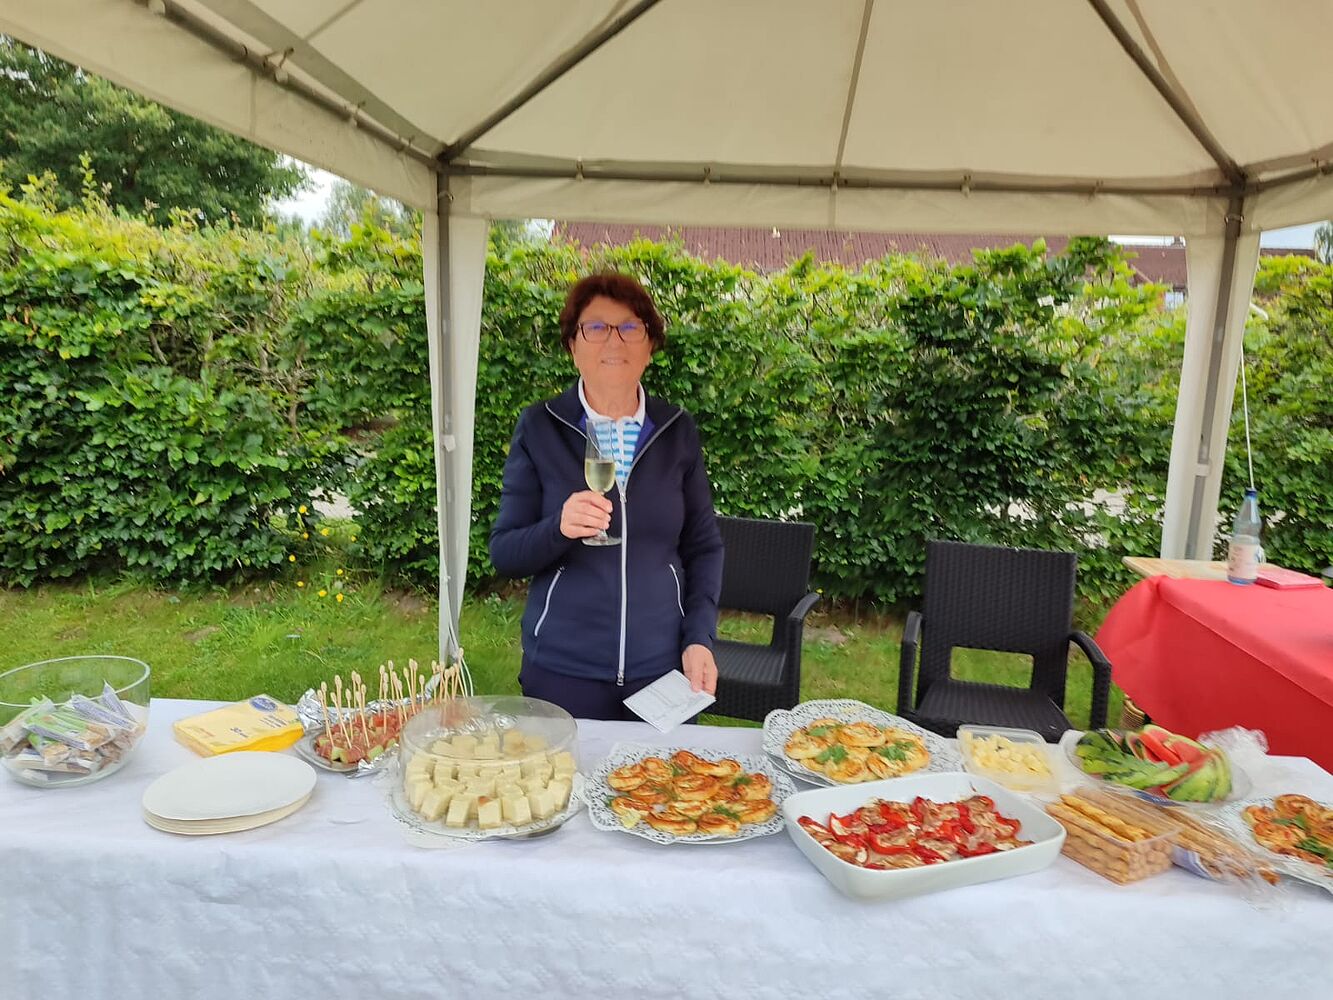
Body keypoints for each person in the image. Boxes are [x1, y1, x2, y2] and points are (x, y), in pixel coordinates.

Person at [489, 272, 724, 720]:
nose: (614, 340)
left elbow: (704, 546)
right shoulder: (540, 426)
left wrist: (699, 637)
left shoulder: (676, 429)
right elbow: (505, 552)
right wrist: (558, 529)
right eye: (595, 327)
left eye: (630, 327)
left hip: (662, 671)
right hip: (562, 670)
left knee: (669, 772)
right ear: (572, 345)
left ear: (650, 346)